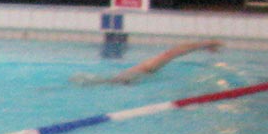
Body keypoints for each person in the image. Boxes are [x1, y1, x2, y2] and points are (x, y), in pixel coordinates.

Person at [74, 39, 222, 85]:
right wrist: (205, 44)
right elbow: (174, 52)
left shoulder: (147, 69)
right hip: (122, 80)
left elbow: (174, 52)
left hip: (122, 79)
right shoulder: (148, 68)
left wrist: (204, 45)